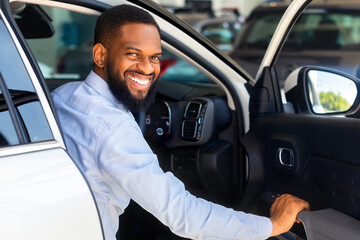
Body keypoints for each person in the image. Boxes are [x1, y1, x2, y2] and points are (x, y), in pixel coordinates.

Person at [52, 4, 310, 240]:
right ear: (100, 55)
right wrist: (271, 225)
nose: (147, 68)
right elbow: (182, 215)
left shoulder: (63, 96)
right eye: (133, 54)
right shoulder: (112, 126)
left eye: (154, 57)